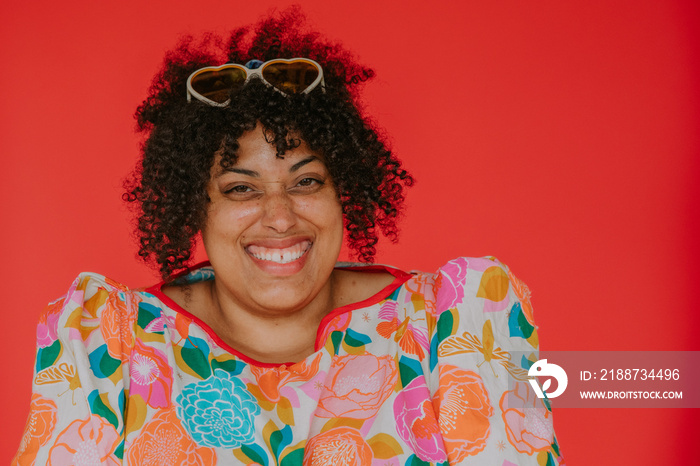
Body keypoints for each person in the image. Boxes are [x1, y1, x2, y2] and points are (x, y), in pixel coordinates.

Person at [13, 8, 564, 465]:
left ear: (344, 190)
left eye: (305, 181)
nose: (280, 217)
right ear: (192, 207)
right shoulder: (109, 345)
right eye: (240, 189)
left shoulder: (453, 326)